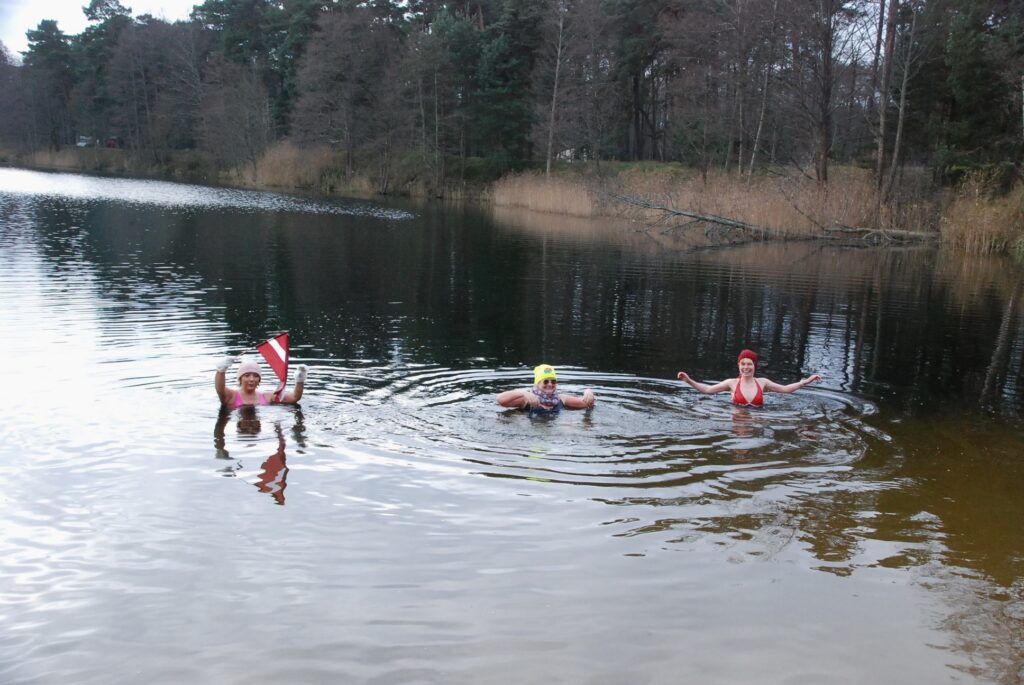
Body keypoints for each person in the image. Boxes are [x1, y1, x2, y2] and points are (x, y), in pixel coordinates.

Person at [676, 349, 821, 406]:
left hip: (757, 422)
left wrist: (806, 381)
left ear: (754, 366)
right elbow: (707, 390)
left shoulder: (762, 382)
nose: (746, 367)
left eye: (749, 364)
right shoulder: (732, 383)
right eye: (743, 364)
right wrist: (689, 380)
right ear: (739, 365)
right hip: (738, 421)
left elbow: (785, 389)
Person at [215, 356, 307, 408]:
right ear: (240, 378)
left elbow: (294, 397)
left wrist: (300, 380)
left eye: (256, 376)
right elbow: (220, 389)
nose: (252, 379)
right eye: (247, 375)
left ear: (259, 380)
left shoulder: (267, 397)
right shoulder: (232, 396)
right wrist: (221, 370)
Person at [496, 364, 596, 411]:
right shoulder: (527, 399)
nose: (550, 384)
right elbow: (500, 400)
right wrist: (524, 393)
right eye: (546, 381)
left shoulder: (561, 398)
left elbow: (586, 404)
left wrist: (588, 392)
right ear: (537, 384)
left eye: (553, 381)